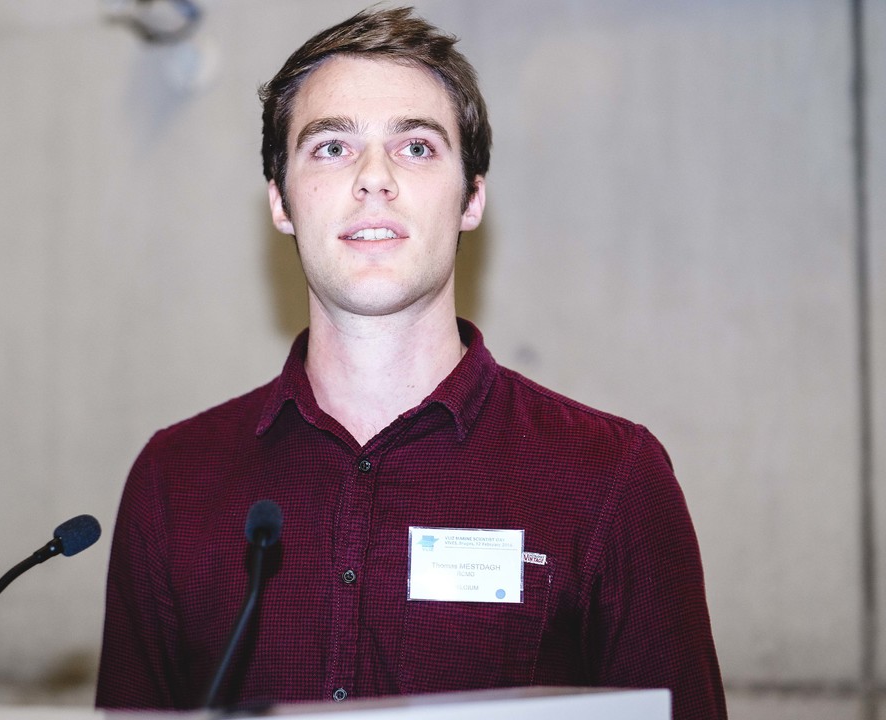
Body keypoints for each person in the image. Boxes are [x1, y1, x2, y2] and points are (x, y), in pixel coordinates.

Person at [95, 7, 727, 720]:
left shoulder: (611, 477)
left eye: (417, 148)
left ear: (472, 198)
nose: (374, 178)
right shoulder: (174, 479)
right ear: (280, 201)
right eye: (331, 147)